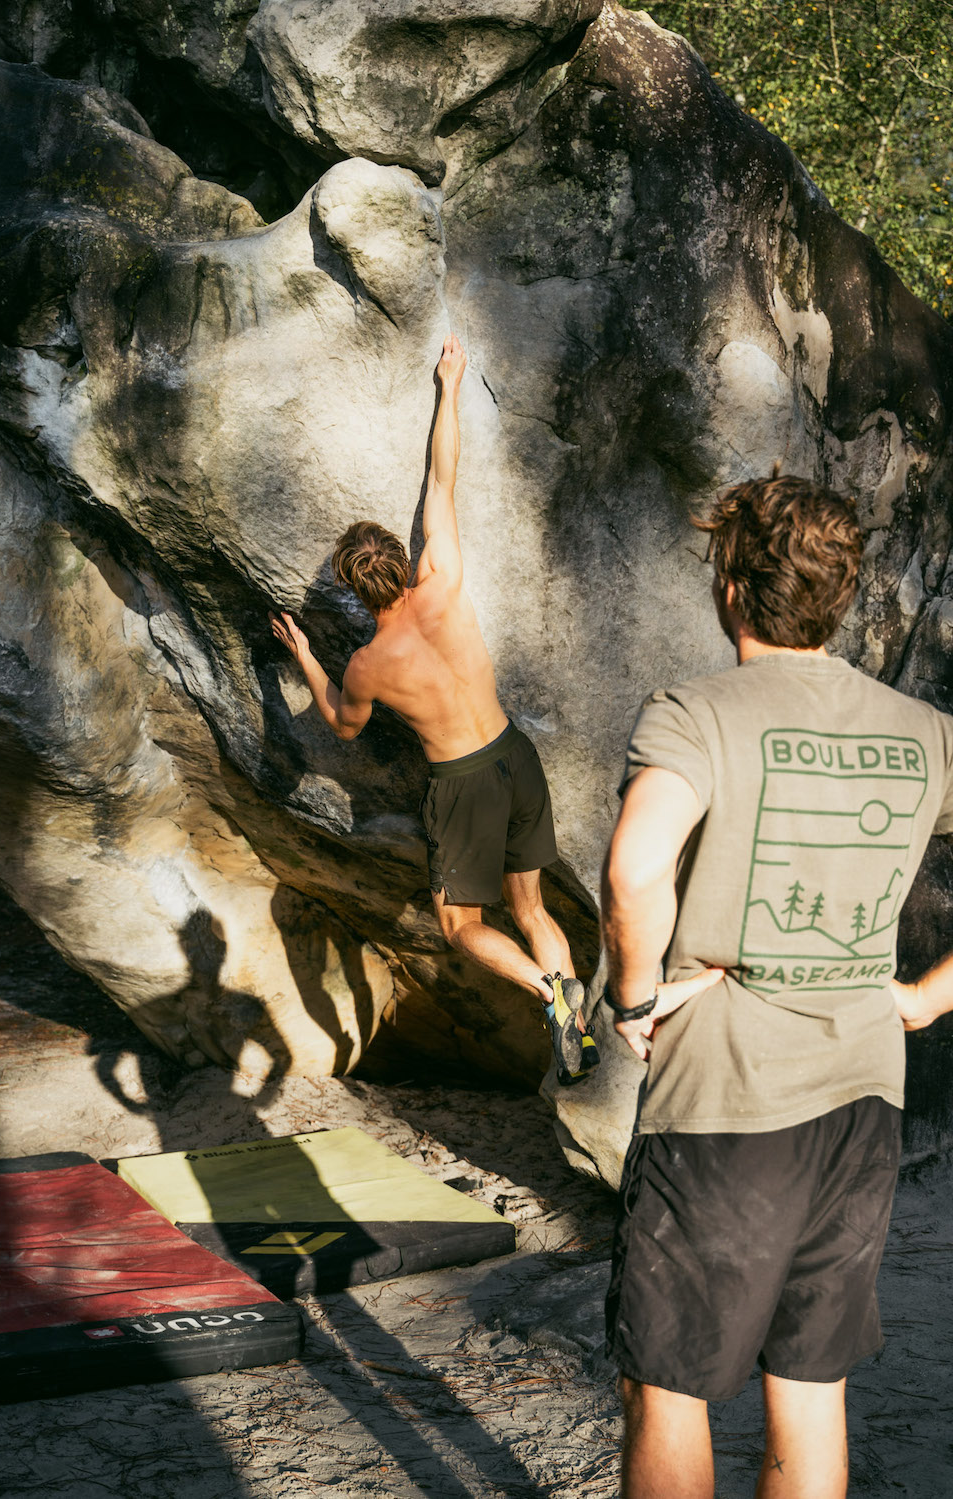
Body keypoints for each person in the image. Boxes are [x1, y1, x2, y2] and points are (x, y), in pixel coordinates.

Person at [599, 472, 953, 1499]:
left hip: (725, 1097)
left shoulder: (693, 712)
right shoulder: (921, 727)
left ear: (727, 584)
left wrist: (630, 998)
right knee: (808, 1380)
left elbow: (631, 869)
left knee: (667, 1383)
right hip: (862, 1093)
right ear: (838, 596)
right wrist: (924, 998)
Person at [270, 334, 598, 1086]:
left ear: (355, 592)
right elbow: (441, 478)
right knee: (533, 908)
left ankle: (553, 997)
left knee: (460, 925)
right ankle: (574, 1021)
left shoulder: (369, 664)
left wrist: (305, 656)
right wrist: (448, 388)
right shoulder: (442, 576)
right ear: (399, 551)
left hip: (462, 785)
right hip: (515, 756)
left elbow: (341, 723)